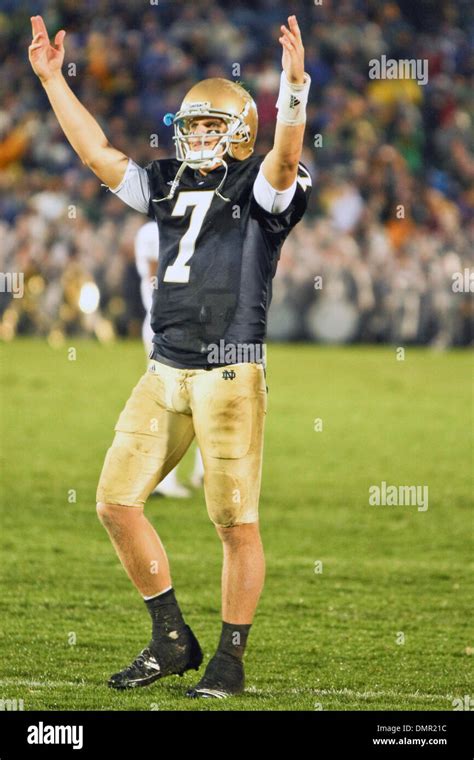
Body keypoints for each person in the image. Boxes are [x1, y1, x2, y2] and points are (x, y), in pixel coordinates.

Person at [29, 13, 312, 698]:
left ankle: (230, 660)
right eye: (194, 125)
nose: (201, 136)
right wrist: (50, 81)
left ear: (240, 130)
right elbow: (98, 154)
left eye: (215, 126)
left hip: (230, 371)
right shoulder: (162, 181)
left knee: (234, 522)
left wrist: (295, 91)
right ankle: (171, 638)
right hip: (164, 368)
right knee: (116, 502)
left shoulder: (262, 186)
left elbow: (281, 160)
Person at [134, 221, 204, 497]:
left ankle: (201, 470)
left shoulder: (152, 229)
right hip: (171, 326)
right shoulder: (158, 230)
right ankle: (164, 478)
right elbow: (157, 278)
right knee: (176, 403)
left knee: (196, 398)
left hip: (169, 325)